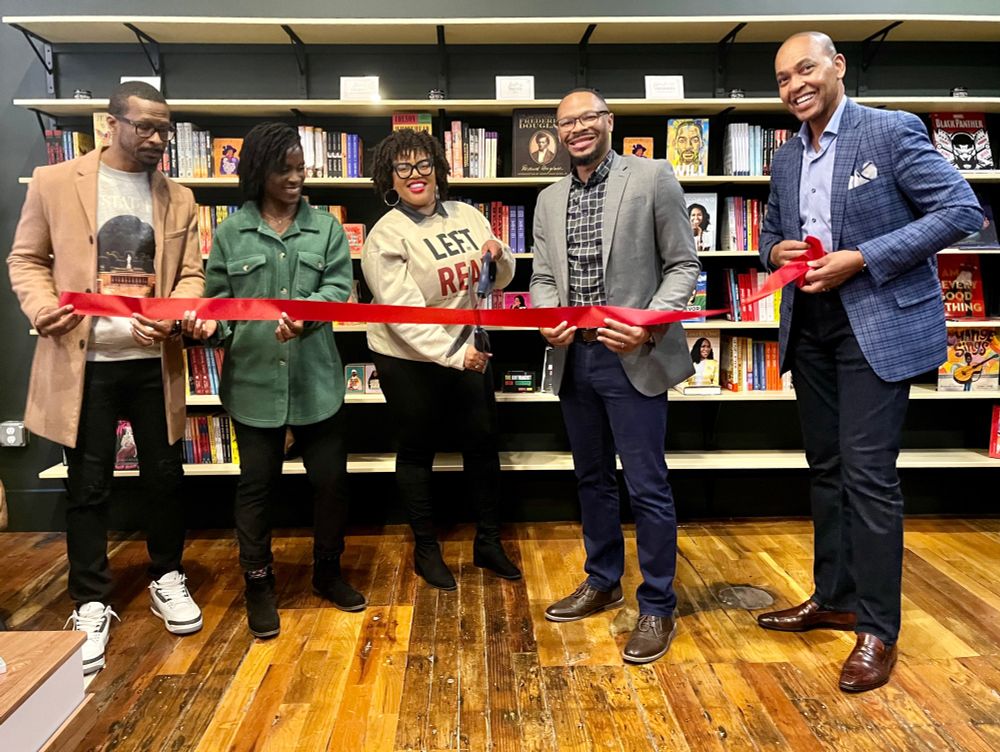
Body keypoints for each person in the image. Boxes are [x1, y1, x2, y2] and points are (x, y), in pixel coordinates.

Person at [756, 32, 983, 692]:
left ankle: (878, 630)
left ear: (838, 67)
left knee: (868, 476)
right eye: (782, 78)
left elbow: (960, 210)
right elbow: (770, 235)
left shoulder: (891, 132)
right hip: (812, 326)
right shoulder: (785, 157)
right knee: (826, 468)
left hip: (876, 324)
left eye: (806, 69)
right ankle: (836, 596)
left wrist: (865, 256)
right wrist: (776, 254)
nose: (795, 84)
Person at [7, 80, 205, 674]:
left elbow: (192, 277)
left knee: (165, 478)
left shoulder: (182, 197)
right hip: (82, 362)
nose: (156, 138)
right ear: (110, 125)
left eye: (164, 128)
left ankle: (167, 574)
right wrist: (40, 307)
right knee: (86, 486)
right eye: (144, 126)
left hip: (154, 365)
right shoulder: (53, 182)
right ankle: (90, 601)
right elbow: (26, 258)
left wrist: (171, 319)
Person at [529, 88, 700, 664]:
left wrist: (648, 326)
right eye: (565, 122)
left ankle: (657, 605)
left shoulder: (653, 177)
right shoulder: (548, 197)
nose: (576, 128)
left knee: (647, 485)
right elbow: (542, 276)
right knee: (591, 479)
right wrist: (548, 314)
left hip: (635, 356)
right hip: (574, 358)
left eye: (587, 118)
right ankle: (601, 580)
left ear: (608, 122)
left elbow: (684, 267)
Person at [182, 122, 365, 638]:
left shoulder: (326, 228)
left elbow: (338, 288)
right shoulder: (230, 232)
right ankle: (258, 582)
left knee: (331, 484)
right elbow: (218, 305)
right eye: (283, 169)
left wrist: (308, 314)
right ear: (258, 171)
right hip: (254, 382)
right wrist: (209, 326)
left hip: (317, 382)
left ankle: (328, 572)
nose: (295, 178)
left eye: (300, 167)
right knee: (255, 488)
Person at [361, 129, 521, 591]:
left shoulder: (468, 215)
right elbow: (400, 312)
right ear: (390, 177)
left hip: (466, 346)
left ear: (438, 168)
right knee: (417, 450)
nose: (416, 175)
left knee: (483, 445)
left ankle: (488, 543)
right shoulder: (386, 233)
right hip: (408, 357)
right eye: (403, 168)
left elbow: (499, 278)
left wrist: (499, 253)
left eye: (423, 164)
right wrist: (454, 353)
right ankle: (426, 549)